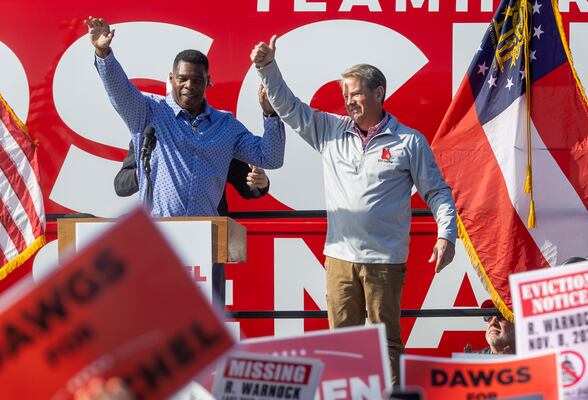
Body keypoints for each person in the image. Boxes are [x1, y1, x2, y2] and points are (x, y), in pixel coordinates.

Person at [251, 36, 457, 385]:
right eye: (345, 95)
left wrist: (445, 235)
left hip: (385, 260)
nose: (349, 101)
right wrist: (267, 67)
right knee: (341, 345)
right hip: (340, 259)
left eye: (356, 93)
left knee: (386, 343)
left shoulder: (409, 141)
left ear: (379, 93)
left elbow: (436, 191)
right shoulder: (329, 130)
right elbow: (288, 107)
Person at [85, 17, 285, 217]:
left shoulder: (225, 125)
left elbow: (270, 158)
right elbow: (120, 91)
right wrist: (103, 54)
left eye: (197, 80)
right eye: (182, 79)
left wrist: (270, 113)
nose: (189, 85)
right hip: (157, 238)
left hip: (206, 238)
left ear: (208, 82)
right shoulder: (150, 112)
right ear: (172, 79)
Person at [114, 141, 271, 215]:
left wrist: (259, 182)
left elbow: (246, 183)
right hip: (159, 235)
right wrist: (145, 170)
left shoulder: (218, 133)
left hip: (208, 233)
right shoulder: (149, 133)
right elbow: (120, 184)